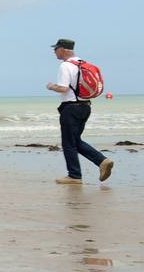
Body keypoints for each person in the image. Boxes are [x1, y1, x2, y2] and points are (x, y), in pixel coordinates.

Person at [47, 39, 113, 185]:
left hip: (71, 108)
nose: (54, 51)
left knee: (69, 143)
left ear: (63, 49)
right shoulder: (82, 63)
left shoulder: (65, 66)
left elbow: (63, 88)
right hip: (85, 107)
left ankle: (74, 176)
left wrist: (51, 87)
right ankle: (102, 161)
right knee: (75, 141)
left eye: (56, 48)